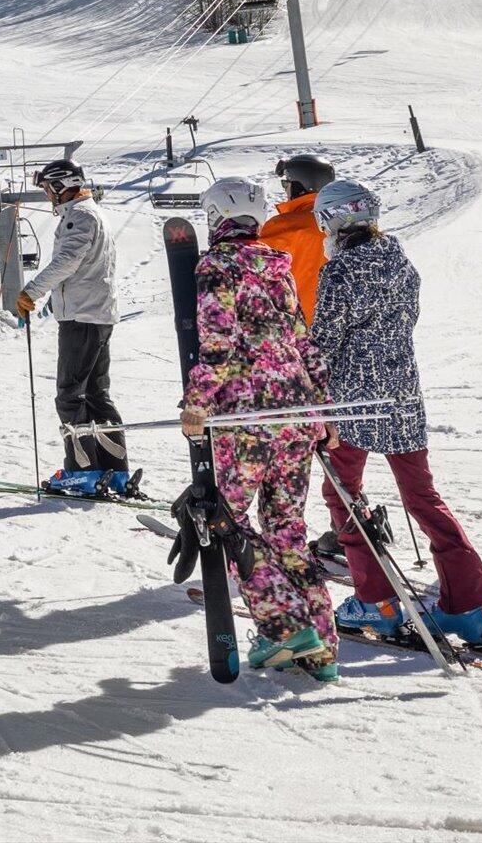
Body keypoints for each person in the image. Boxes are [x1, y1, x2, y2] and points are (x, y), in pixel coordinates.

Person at [307, 179, 482, 649]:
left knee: (343, 494)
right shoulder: (400, 262)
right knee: (422, 496)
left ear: (332, 220)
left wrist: (305, 385)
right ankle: (467, 604)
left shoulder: (339, 271)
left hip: (353, 401)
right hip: (402, 395)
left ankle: (376, 602)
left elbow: (323, 344)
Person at [179, 174, 339, 682]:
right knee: (288, 531)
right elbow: (304, 340)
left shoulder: (216, 265)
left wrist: (197, 402)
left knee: (226, 521)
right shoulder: (279, 266)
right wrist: (324, 411)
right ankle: (321, 647)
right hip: (295, 416)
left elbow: (220, 343)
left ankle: (285, 627)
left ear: (216, 217)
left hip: (246, 419)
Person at [15, 159, 132, 496]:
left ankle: (83, 472)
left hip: (82, 318)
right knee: (96, 394)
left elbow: (69, 260)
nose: (49, 196)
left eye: (50, 188)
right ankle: (114, 471)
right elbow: (88, 266)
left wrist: (33, 291)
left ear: (62, 185)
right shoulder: (93, 213)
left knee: (70, 395)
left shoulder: (79, 216)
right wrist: (57, 297)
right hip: (96, 315)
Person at [261, 152, 336, 322]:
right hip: (336, 329)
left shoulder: (282, 227)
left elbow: (252, 269)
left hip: (296, 331)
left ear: (299, 186)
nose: (285, 190)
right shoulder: (342, 222)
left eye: (286, 184)